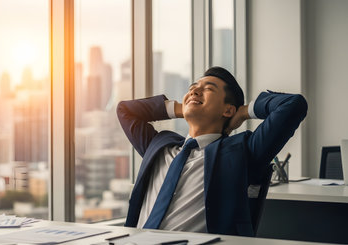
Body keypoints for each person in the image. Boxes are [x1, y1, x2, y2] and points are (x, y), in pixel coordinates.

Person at [116, 66, 307, 236]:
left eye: (208, 89)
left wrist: (243, 112)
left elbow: (293, 105)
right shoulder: (160, 146)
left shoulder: (242, 152)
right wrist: (182, 108)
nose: (195, 90)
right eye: (192, 88)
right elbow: (125, 110)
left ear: (228, 110)